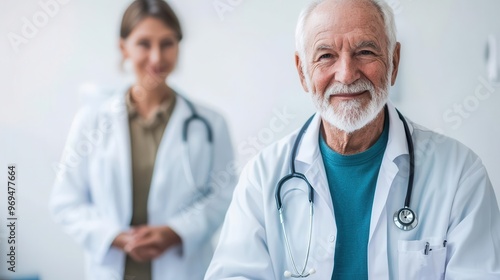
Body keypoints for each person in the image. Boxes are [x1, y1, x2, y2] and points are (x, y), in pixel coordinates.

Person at [205, 0, 500, 279]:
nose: (346, 74)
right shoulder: (262, 178)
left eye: (365, 52)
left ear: (394, 62)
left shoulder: (461, 173)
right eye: (326, 56)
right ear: (302, 73)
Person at [49, 1, 236, 279]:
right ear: (124, 48)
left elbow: (223, 195)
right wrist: (115, 236)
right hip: (113, 268)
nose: (156, 57)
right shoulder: (92, 120)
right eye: (144, 44)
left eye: (167, 43)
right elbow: (66, 201)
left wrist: (176, 232)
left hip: (181, 268)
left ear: (178, 46)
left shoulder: (210, 123)